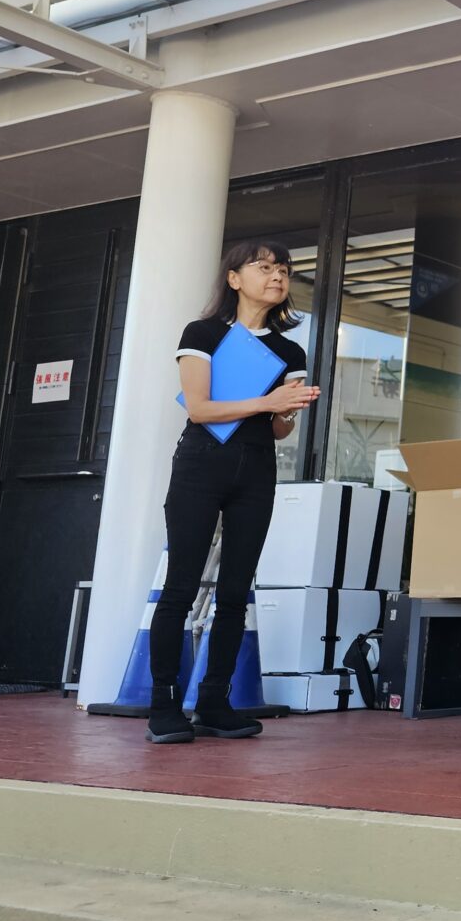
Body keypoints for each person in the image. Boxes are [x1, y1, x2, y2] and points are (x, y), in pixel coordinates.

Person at [145, 239, 317, 744]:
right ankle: (163, 704)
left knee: (235, 593)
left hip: (257, 467)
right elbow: (199, 408)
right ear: (234, 278)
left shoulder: (290, 350)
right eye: (264, 267)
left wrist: (287, 410)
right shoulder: (202, 333)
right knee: (181, 586)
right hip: (201, 463)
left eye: (284, 269)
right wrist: (268, 400)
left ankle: (215, 701)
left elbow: (279, 431)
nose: (277, 276)